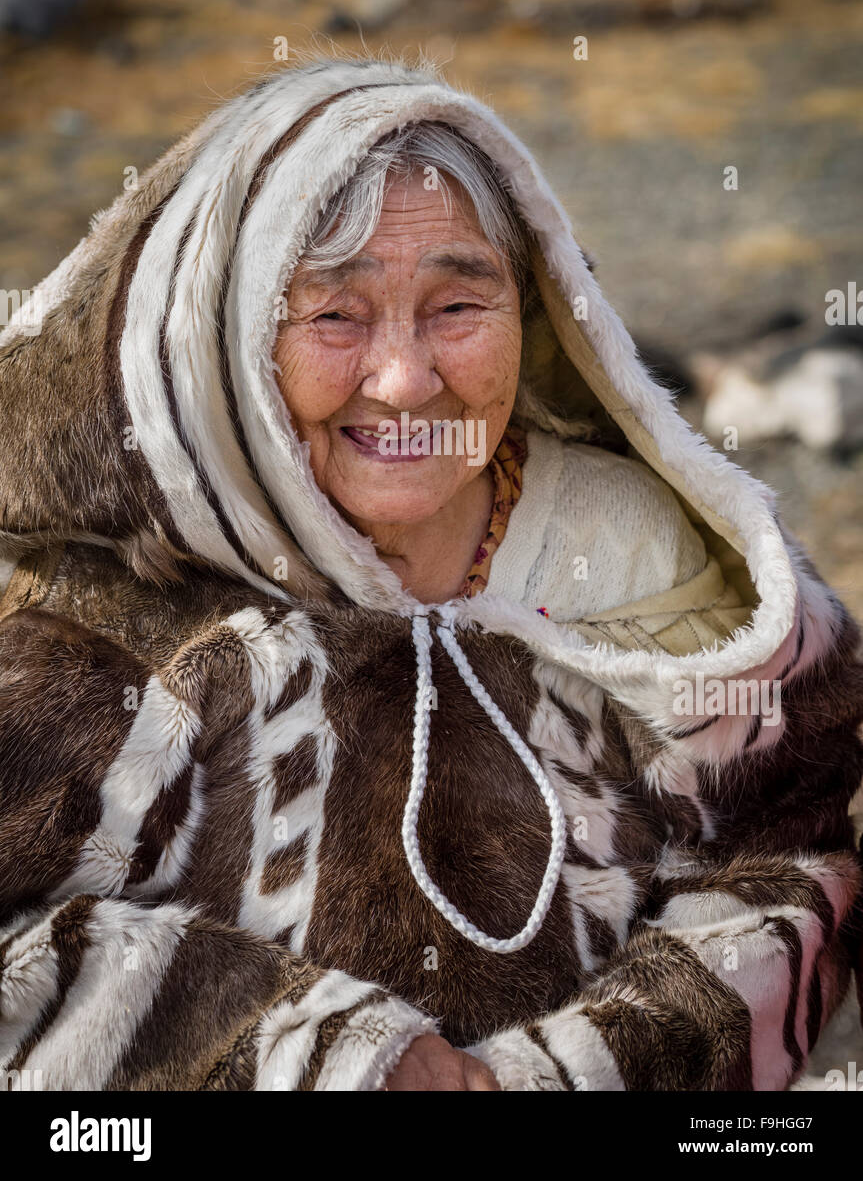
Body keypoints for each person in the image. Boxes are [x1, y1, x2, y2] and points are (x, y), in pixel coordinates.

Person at [0, 55, 860, 1092]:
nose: (406, 379)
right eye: (333, 316)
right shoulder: (106, 616)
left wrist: (548, 1076)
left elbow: (787, 863)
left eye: (459, 305)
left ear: (530, 311)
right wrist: (311, 1056)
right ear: (229, 347)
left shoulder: (646, 550)